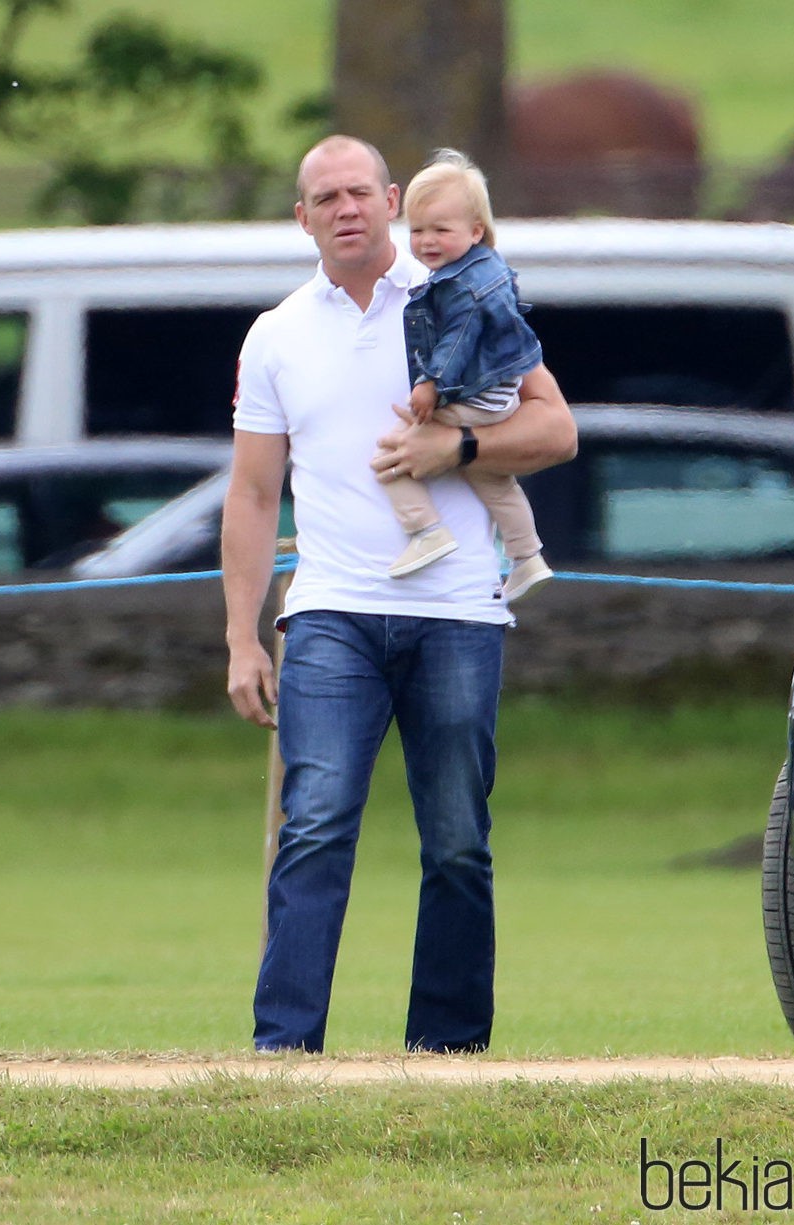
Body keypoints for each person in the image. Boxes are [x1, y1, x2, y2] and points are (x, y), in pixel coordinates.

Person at [222, 134, 576, 1054]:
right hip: (331, 609)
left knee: (457, 837)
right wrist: (241, 637)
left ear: (390, 201)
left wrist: (454, 451)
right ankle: (284, 1050)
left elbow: (555, 428)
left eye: (358, 193)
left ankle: (447, 1051)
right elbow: (256, 493)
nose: (344, 209)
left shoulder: (456, 287)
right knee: (317, 822)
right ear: (301, 218)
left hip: (457, 609)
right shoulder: (275, 336)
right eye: (322, 198)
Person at [381, 149, 552, 602]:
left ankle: (426, 530)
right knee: (492, 478)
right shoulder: (489, 268)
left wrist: (430, 385)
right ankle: (527, 555)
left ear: (476, 231)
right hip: (499, 395)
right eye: (417, 230)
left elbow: (457, 340)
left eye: (441, 230)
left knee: (392, 455)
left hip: (474, 396)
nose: (427, 241)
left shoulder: (459, 286)